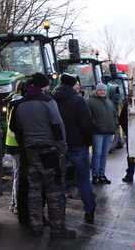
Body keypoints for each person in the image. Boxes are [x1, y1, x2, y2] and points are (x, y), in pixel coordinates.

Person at [10, 73, 77, 239]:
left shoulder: (18, 105)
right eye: (47, 85)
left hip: (30, 151)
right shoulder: (48, 102)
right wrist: (62, 148)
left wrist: (25, 145)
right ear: (43, 86)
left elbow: (15, 128)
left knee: (34, 190)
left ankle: (36, 226)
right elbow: (57, 125)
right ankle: (58, 229)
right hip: (49, 152)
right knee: (54, 191)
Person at [53, 73, 96, 224]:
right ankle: (89, 211)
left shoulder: (52, 99)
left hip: (58, 146)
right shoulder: (78, 100)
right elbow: (86, 124)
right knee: (84, 180)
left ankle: (59, 215)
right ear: (73, 85)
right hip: (78, 145)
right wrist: (88, 142)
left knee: (59, 182)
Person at [87, 83, 118, 184]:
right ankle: (95, 175)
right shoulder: (90, 101)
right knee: (97, 154)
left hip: (109, 132)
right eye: (100, 90)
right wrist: (95, 126)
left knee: (104, 154)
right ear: (96, 91)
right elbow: (89, 117)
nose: (102, 92)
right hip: (98, 133)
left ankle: (102, 174)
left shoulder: (109, 102)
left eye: (104, 90)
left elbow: (114, 115)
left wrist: (115, 125)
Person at [5, 80, 26, 214]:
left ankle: (13, 202)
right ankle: (17, 204)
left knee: (16, 173)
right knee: (19, 174)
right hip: (18, 143)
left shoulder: (11, 101)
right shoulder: (21, 103)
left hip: (10, 143)